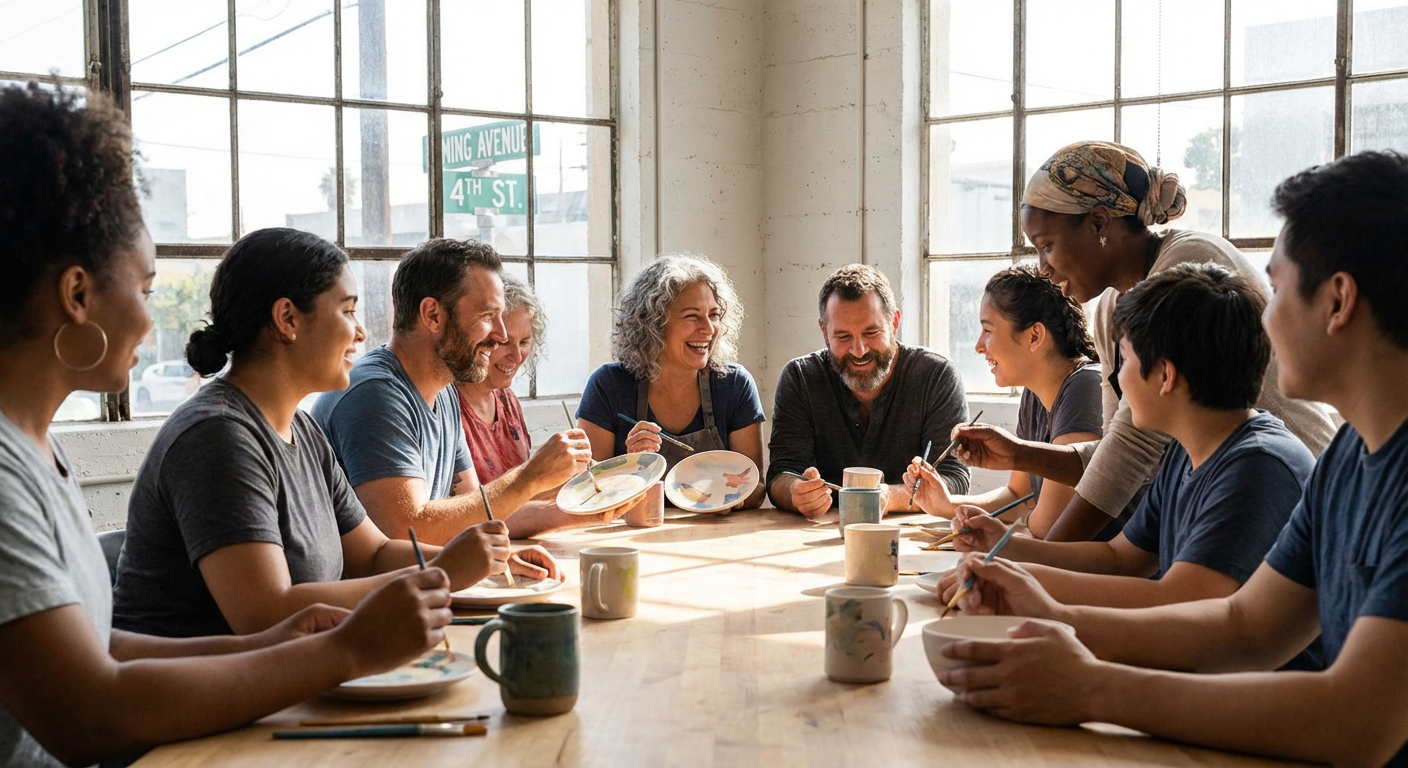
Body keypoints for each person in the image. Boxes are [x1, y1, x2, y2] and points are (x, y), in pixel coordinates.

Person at [0, 83, 449, 768]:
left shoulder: (37, 450)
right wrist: (343, 649)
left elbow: (102, 644)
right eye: (146, 290)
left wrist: (280, 642)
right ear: (77, 294)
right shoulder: (10, 475)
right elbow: (87, 713)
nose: (152, 320)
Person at [936, 151, 1408, 766]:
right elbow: (1245, 627)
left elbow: (1358, 721)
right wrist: (1048, 610)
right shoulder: (1350, 453)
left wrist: (1091, 686)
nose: (1262, 315)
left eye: (1277, 288)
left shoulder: (1277, 461)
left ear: (1338, 301)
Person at [112, 229, 556, 638]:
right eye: (347, 311)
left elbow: (376, 554)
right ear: (287, 318)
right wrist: (441, 575)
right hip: (206, 706)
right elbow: (265, 613)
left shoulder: (301, 429)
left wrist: (478, 561)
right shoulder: (219, 437)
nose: (361, 333)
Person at [939, 264, 1320, 670]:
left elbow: (1180, 600)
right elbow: (1119, 558)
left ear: (1165, 376)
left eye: (1124, 360)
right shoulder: (1184, 452)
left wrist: (1026, 583)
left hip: (1251, 700)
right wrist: (1008, 547)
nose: (1117, 378)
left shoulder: (1258, 466)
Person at [952, 141, 1335, 542]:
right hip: (1213, 494)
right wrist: (1021, 455)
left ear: (1100, 223)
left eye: (1047, 246)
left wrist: (1039, 555)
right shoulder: (1108, 309)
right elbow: (1114, 445)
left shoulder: (1187, 266)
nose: (1044, 268)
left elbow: (1133, 447)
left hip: (1289, 500)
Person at [313, 238, 610, 545]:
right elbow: (406, 533)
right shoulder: (375, 395)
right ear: (433, 315)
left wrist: (583, 512)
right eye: (487, 316)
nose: (502, 335)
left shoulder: (442, 392)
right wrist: (530, 476)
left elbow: (475, 512)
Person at [904, 265, 1138, 539]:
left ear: (1034, 336)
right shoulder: (1035, 395)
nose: (979, 346)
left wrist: (1009, 521)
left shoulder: (1084, 387)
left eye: (988, 330)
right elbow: (1018, 496)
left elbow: (1048, 524)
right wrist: (946, 504)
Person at [767, 264, 970, 518]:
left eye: (871, 332)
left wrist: (889, 496)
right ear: (824, 332)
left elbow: (955, 478)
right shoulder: (801, 378)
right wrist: (796, 492)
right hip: (819, 533)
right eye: (842, 336)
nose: (859, 350)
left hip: (909, 537)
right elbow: (780, 474)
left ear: (894, 322)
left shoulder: (936, 376)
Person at [576, 253, 767, 510]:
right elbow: (587, 490)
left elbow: (755, 490)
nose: (709, 328)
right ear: (653, 323)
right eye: (692, 316)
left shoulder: (734, 385)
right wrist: (632, 468)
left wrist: (728, 495)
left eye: (714, 314)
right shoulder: (609, 385)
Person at [455, 276, 541, 485]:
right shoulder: (447, 405)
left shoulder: (507, 399)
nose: (517, 356)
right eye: (503, 342)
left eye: (524, 342)